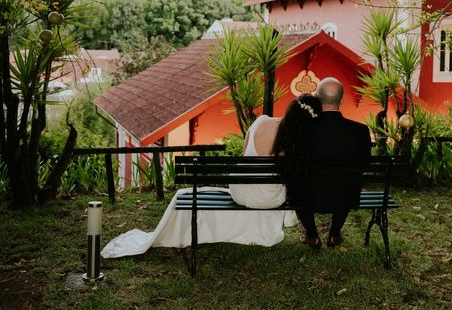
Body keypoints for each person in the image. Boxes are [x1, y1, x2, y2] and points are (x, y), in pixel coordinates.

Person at [101, 94, 322, 259]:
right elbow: (294, 182)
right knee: (289, 189)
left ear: (291, 108)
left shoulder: (261, 122)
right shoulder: (295, 144)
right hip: (264, 199)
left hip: (238, 190)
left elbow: (244, 154)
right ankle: (304, 232)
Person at [296, 77, 372, 249]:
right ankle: (334, 233)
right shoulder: (359, 131)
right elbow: (364, 165)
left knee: (299, 184)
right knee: (348, 181)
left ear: (316, 97)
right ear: (342, 99)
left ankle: (312, 235)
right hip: (345, 196)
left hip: (309, 197)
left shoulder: (302, 128)